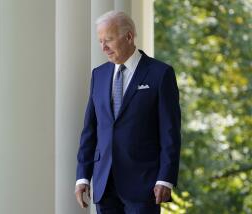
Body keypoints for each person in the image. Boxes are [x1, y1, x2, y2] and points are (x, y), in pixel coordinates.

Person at [75, 11, 181, 214]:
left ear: (129, 36)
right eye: (100, 41)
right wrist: (82, 176)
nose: (103, 47)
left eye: (109, 40)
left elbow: (170, 132)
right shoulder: (99, 75)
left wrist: (165, 178)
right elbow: (90, 130)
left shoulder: (160, 74)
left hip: (144, 184)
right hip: (105, 184)